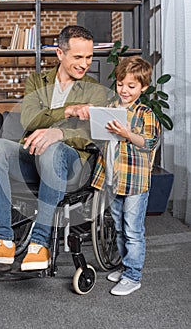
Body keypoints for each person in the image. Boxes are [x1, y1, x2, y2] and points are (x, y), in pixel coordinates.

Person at [0, 25, 108, 271]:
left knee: (53, 149)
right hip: (34, 159)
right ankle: (2, 241)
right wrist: (69, 111)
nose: (85, 64)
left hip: (72, 165)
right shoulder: (36, 82)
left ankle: (39, 243)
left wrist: (58, 133)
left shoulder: (95, 90)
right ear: (60, 54)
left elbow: (91, 136)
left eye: (89, 57)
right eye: (78, 57)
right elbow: (29, 119)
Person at [92, 56, 161, 295]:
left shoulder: (145, 113)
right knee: (119, 228)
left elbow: (150, 142)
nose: (124, 90)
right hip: (113, 178)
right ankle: (125, 267)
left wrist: (127, 133)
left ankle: (133, 276)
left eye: (131, 86)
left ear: (143, 88)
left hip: (135, 181)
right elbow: (101, 140)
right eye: (121, 84)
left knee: (133, 230)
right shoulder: (109, 109)